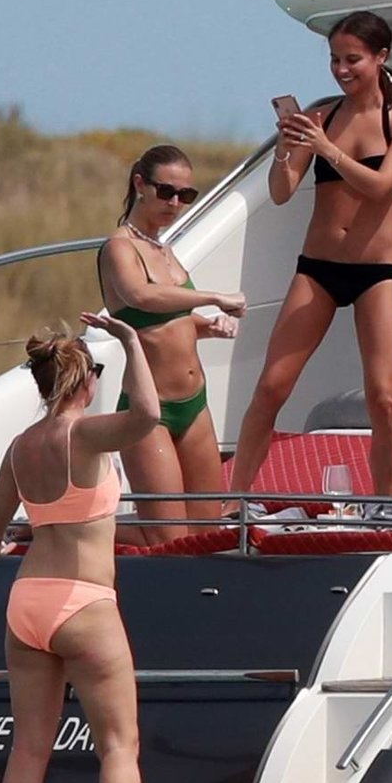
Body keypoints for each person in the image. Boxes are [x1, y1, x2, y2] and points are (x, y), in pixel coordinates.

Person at [0, 313, 185, 783]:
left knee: (28, 748)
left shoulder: (20, 447)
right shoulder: (86, 435)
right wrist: (131, 341)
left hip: (27, 600)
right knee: (119, 745)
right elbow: (147, 415)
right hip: (84, 600)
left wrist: (3, 547)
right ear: (84, 381)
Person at [228, 11, 392, 504]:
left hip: (378, 272)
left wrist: (327, 149)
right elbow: (282, 192)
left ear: (381, 57)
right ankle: (233, 501)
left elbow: (381, 186)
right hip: (318, 268)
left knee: (383, 396)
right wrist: (287, 148)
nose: (341, 69)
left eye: (352, 59)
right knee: (271, 388)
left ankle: (386, 504)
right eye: (335, 59)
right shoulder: (322, 117)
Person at [98, 145, 246, 544]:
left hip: (195, 403)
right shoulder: (119, 248)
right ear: (140, 184)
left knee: (206, 533)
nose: (176, 203)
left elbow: (169, 321)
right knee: (168, 539)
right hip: (150, 411)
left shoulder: (163, 248)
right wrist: (213, 297)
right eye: (166, 192)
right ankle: (64, 529)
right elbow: (141, 297)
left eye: (186, 195)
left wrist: (208, 325)